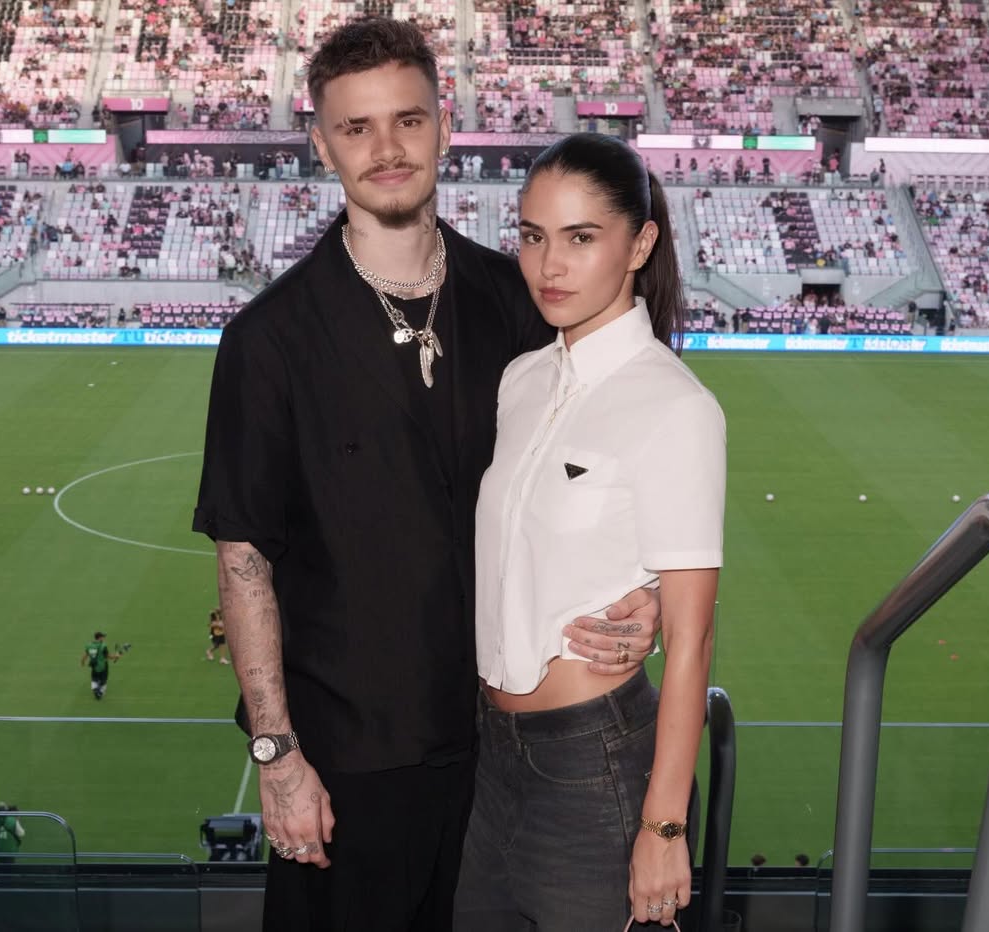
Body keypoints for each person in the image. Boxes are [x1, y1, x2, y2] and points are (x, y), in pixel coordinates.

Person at [193, 20, 661, 932]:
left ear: (444, 125)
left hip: (511, 747)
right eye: (357, 127)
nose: (387, 148)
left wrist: (643, 589)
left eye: (407, 119)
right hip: (347, 765)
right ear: (322, 142)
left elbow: (614, 464)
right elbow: (244, 559)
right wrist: (278, 758)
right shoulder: (270, 341)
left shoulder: (519, 302)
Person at [455, 135, 725, 931]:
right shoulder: (522, 378)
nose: (549, 265)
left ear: (640, 243)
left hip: (597, 764)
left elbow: (692, 638)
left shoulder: (675, 407)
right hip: (493, 758)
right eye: (534, 236)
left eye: (580, 238)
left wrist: (663, 827)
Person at [81, 631, 120, 700]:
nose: (104, 638)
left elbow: (85, 655)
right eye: (103, 637)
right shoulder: (103, 646)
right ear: (100, 638)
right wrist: (116, 656)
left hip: (94, 666)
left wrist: (82, 662)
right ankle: (99, 693)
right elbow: (108, 656)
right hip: (103, 666)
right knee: (104, 681)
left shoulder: (89, 645)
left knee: (94, 679)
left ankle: (95, 689)